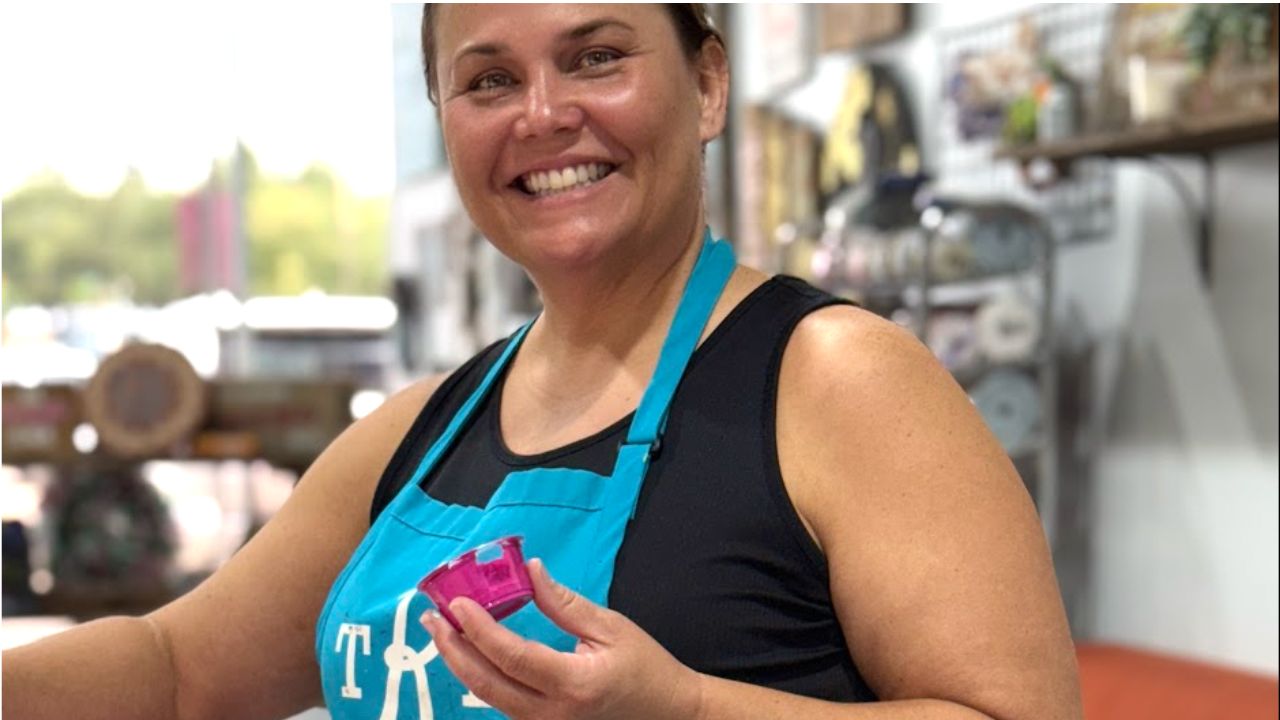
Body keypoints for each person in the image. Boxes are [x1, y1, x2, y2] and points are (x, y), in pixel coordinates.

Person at [2, 5, 1083, 719]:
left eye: (596, 57)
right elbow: (177, 672)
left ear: (707, 85)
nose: (543, 115)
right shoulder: (422, 432)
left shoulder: (837, 380)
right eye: (487, 80)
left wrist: (687, 709)